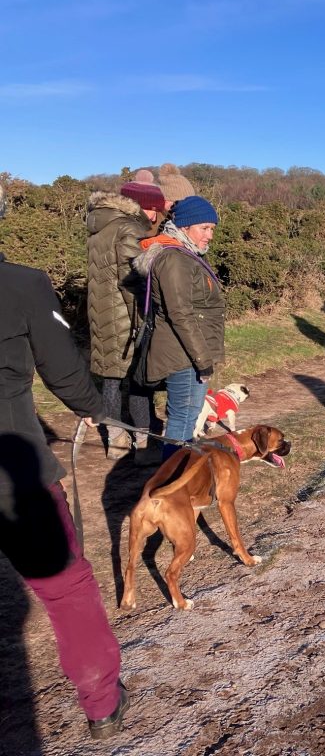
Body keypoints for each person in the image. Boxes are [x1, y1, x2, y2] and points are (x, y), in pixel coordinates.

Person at [0, 184, 129, 739]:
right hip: (13, 467)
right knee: (67, 586)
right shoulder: (23, 284)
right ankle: (101, 701)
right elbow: (64, 370)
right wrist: (96, 409)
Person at [134, 196, 225, 459]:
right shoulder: (175, 259)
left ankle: (178, 479)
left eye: (212, 229)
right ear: (185, 227)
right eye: (204, 228)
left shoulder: (185, 255)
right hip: (183, 356)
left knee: (188, 419)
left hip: (188, 353)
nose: (209, 235)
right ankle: (171, 484)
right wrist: (202, 359)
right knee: (182, 423)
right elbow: (180, 313)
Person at [85, 181, 166, 465]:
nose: (156, 215)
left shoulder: (100, 227)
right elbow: (133, 281)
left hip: (102, 312)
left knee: (110, 379)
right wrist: (149, 315)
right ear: (142, 205)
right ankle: (144, 444)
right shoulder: (130, 229)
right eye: (154, 208)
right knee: (138, 379)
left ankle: (116, 440)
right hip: (128, 317)